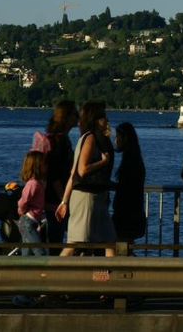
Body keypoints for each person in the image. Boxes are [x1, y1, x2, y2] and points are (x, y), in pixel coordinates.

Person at [56, 100, 116, 257]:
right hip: (86, 197)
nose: (106, 120)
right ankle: (55, 273)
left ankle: (110, 276)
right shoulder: (89, 138)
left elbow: (72, 173)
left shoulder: (96, 138)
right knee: (75, 242)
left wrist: (64, 200)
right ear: (96, 119)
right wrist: (103, 162)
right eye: (103, 117)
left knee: (109, 240)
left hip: (97, 197)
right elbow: (81, 170)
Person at [44, 99, 78, 254]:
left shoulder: (52, 138)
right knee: (58, 240)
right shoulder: (60, 141)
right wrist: (63, 200)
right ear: (67, 117)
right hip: (57, 200)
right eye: (73, 114)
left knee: (56, 240)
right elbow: (55, 174)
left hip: (51, 199)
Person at [112, 122, 147, 244]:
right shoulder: (135, 159)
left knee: (120, 247)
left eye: (117, 137)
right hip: (134, 214)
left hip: (126, 216)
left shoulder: (130, 163)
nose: (115, 140)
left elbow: (126, 189)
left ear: (124, 138)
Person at [17, 150, 48, 256]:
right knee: (39, 251)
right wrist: (22, 210)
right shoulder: (33, 184)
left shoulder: (38, 183)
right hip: (28, 222)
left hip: (31, 222)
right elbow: (23, 201)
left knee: (27, 252)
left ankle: (23, 271)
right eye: (44, 163)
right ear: (37, 166)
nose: (46, 166)